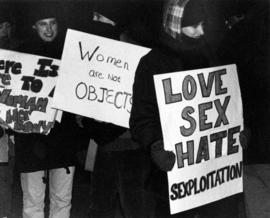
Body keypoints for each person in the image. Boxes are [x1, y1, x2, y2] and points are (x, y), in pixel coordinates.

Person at [130, 0, 246, 217]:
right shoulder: (153, 63)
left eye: (203, 24)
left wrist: (238, 131)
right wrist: (155, 144)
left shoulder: (212, 56)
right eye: (193, 25)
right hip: (174, 180)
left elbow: (228, 103)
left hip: (215, 178)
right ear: (174, 23)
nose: (200, 31)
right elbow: (141, 118)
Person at [14, 3, 80, 218]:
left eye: (53, 23)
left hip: (63, 138)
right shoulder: (19, 55)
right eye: (43, 24)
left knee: (62, 199)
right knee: (33, 201)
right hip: (31, 139)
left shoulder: (73, 53)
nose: (49, 29)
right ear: (34, 26)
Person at [0, 4, 20, 217]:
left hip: (6, 133)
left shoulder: (19, 55)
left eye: (6, 26)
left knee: (4, 181)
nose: (4, 31)